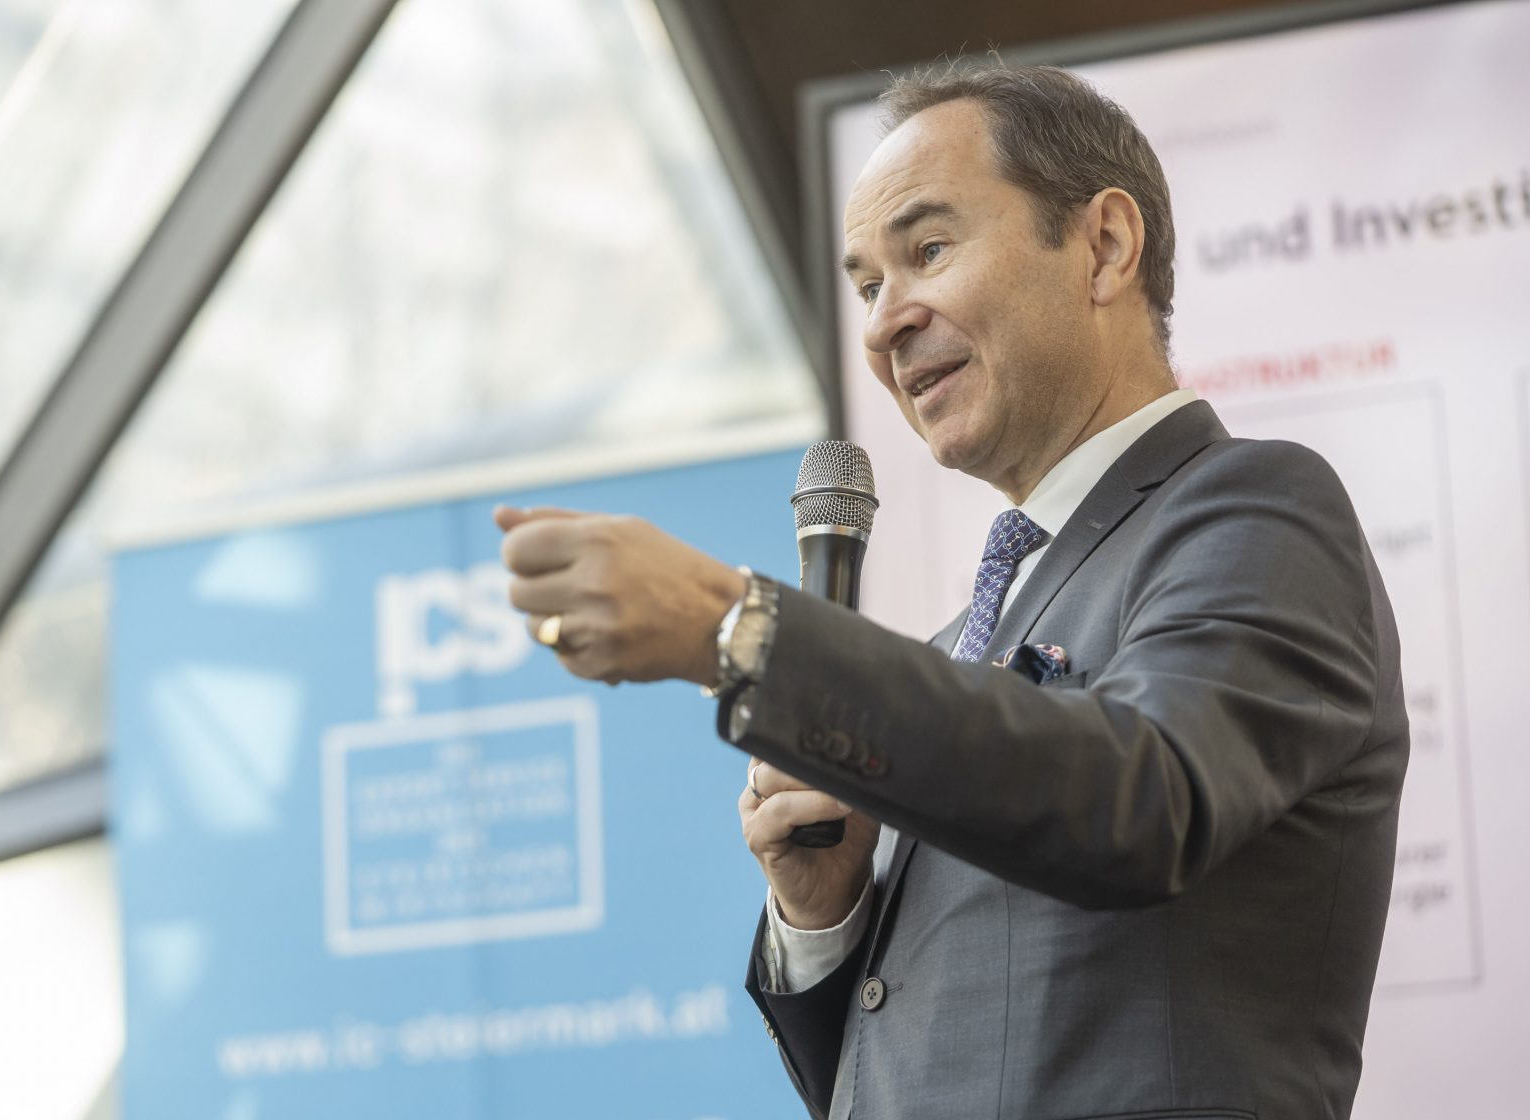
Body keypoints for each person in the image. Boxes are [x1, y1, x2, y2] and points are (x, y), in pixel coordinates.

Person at [496, 63, 1407, 1120]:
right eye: (866, 286)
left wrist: (735, 629)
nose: (883, 324)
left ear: (1105, 246)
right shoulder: (949, 655)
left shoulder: (1256, 508)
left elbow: (1145, 797)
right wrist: (827, 915)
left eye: (928, 250)